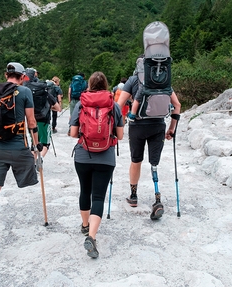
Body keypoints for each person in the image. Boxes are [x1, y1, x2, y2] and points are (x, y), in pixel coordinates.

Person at [0, 62, 41, 256]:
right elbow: (32, 122)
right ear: (22, 77)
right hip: (19, 149)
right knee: (32, 173)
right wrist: (36, 147)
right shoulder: (25, 92)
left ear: (6, 74)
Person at [117, 56, 181, 220]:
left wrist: (120, 122)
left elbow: (119, 105)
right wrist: (172, 129)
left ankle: (133, 196)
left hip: (138, 126)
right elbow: (177, 105)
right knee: (154, 162)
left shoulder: (133, 80)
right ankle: (157, 199)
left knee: (136, 160)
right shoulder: (163, 80)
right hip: (158, 125)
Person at [69, 71, 124, 258]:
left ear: (89, 84)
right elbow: (121, 135)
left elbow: (73, 133)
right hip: (106, 157)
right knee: (98, 197)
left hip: (83, 156)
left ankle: (85, 226)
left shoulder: (81, 104)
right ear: (106, 85)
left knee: (85, 191)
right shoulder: (113, 105)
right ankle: (92, 236)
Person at [24, 68, 61, 158]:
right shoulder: (45, 93)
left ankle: (34, 163)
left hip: (31, 120)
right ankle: (40, 160)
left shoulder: (27, 92)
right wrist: (49, 107)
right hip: (44, 121)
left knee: (35, 143)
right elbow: (58, 108)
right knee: (45, 144)